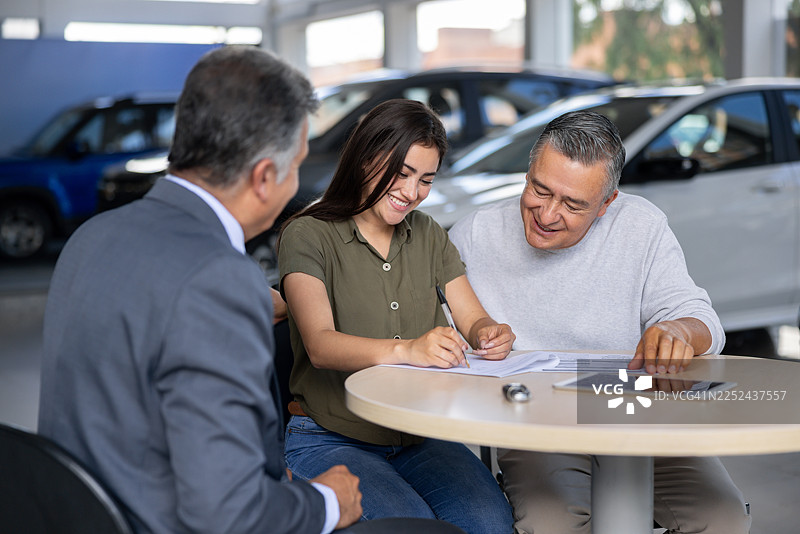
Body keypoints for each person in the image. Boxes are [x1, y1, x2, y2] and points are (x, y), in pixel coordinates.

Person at [37, 45, 364, 534]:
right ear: (264, 178)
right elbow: (228, 516)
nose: (298, 179)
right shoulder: (218, 278)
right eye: (296, 164)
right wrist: (326, 503)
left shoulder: (92, 236)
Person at [448, 110, 751, 534]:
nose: (548, 214)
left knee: (724, 519)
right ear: (529, 172)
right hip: (534, 424)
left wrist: (680, 330)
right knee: (553, 525)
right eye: (540, 189)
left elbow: (702, 320)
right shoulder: (475, 234)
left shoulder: (641, 225)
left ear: (608, 203)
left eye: (573, 204)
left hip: (636, 414)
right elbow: (436, 337)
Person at [278, 98, 515, 534]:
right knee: (416, 528)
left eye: (425, 179)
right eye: (401, 173)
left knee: (489, 524)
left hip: (417, 432)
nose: (412, 192)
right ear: (365, 158)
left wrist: (490, 333)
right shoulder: (307, 233)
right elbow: (321, 345)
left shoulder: (427, 233)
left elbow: (472, 318)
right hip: (330, 438)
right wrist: (410, 349)